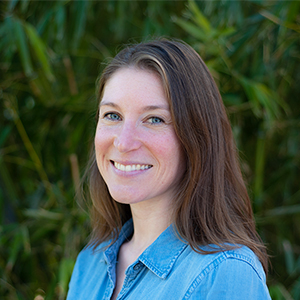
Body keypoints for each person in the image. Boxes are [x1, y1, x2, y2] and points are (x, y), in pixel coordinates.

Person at [66, 38, 271, 299]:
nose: (124, 142)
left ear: (197, 138)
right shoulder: (91, 264)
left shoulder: (225, 273)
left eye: (154, 119)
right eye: (112, 115)